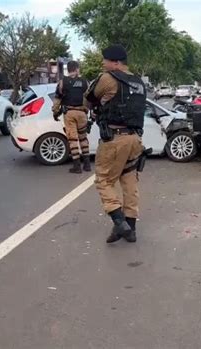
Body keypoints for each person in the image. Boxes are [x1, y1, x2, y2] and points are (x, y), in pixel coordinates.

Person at [86, 44, 146, 244]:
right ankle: (131, 229)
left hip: (115, 139)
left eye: (105, 60)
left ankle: (119, 222)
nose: (103, 64)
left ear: (116, 62)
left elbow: (89, 99)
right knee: (130, 182)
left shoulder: (108, 78)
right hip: (135, 139)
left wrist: (98, 106)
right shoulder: (139, 82)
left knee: (103, 180)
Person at [52, 61, 91, 173]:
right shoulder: (85, 82)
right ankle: (87, 165)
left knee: (73, 139)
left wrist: (55, 112)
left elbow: (57, 99)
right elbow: (89, 98)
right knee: (83, 138)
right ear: (77, 69)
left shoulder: (62, 82)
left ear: (68, 69)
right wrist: (87, 110)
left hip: (69, 113)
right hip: (82, 113)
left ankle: (77, 166)